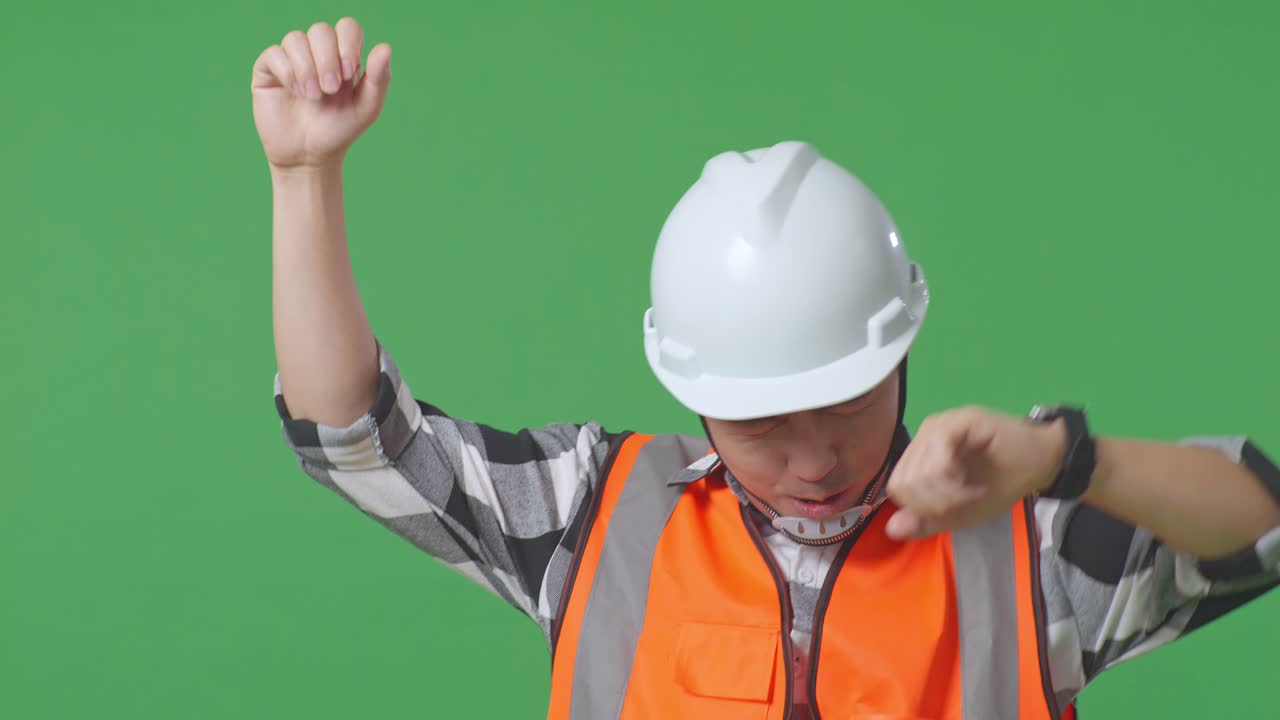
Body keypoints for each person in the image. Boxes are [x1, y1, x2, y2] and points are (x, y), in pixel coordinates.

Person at [253, 17, 1280, 720]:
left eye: (846, 403)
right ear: (695, 399)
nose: (813, 459)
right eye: (760, 424)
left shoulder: (1023, 542)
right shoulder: (591, 514)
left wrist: (1062, 459)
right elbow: (357, 440)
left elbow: (1259, 528)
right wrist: (303, 174)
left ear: (900, 357)